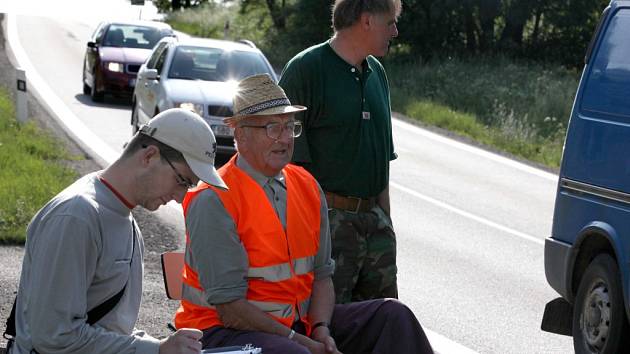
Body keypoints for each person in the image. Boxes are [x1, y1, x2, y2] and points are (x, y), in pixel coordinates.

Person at [175, 74, 432, 354]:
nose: (285, 138)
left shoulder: (307, 185)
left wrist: (321, 329)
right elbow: (229, 309)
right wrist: (301, 342)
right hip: (222, 333)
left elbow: (322, 276)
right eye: (272, 127)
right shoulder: (214, 197)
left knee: (393, 316)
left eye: (290, 127)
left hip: (297, 327)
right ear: (240, 134)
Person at [6, 108, 227, 354]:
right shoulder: (76, 216)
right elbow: (55, 337)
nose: (181, 197)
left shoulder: (128, 223)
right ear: (149, 156)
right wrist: (156, 350)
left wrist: (161, 347)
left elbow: (111, 330)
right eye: (182, 180)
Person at [278, 0, 401, 304]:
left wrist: (386, 221)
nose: (395, 32)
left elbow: (382, 160)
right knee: (330, 326)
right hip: (327, 226)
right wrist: (311, 232)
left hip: (375, 225)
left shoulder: (377, 73)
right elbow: (288, 165)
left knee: (381, 324)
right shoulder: (306, 70)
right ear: (366, 20)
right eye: (390, 23)